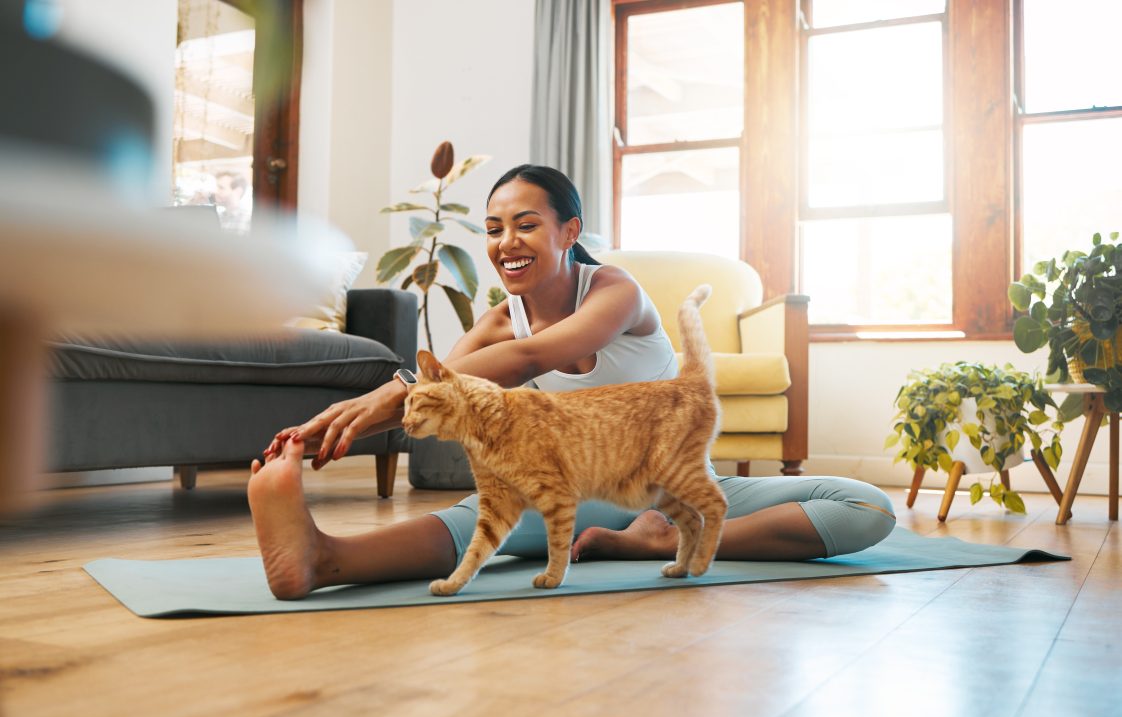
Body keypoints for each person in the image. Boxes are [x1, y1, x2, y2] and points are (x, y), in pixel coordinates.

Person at [248, 164, 896, 600]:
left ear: (569, 231)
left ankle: (661, 537)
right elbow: (438, 393)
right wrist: (329, 426)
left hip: (672, 486)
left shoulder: (616, 291)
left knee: (868, 507)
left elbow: (534, 358)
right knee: (479, 518)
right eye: (494, 229)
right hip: (564, 492)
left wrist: (386, 390)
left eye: (526, 223)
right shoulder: (497, 322)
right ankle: (322, 557)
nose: (506, 243)